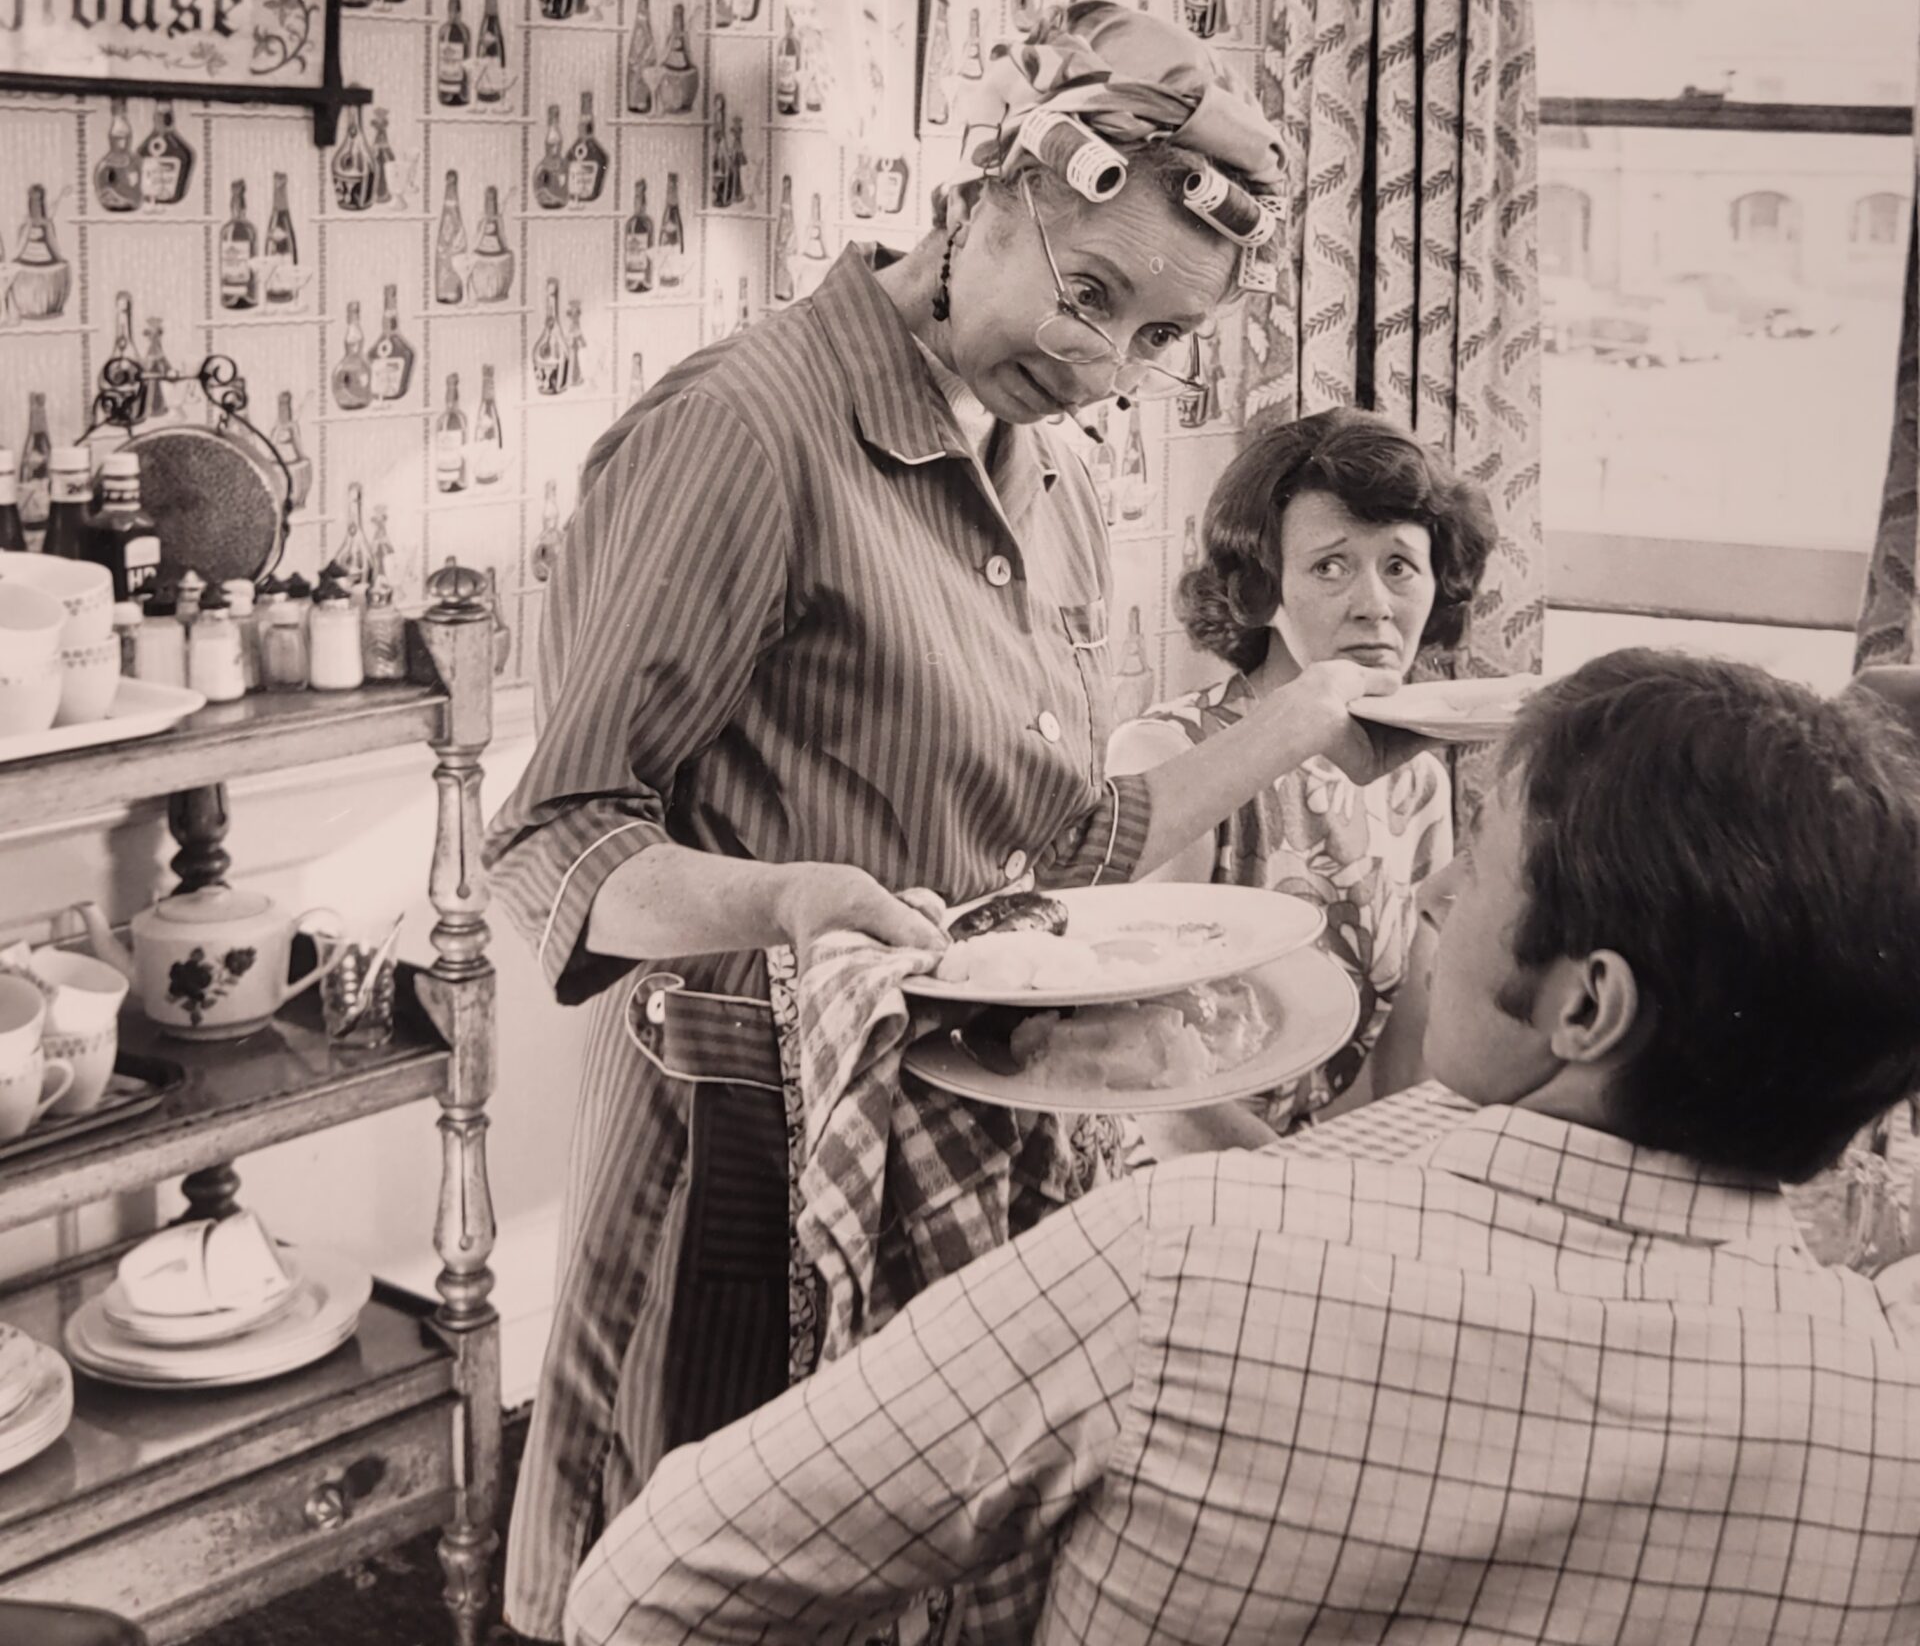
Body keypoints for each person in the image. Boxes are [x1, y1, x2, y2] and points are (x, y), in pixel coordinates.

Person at [483, 1, 1433, 1638]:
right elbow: (554, 839)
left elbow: (1060, 857)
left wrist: (1300, 720)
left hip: (969, 1135)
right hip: (745, 1144)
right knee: (692, 1570)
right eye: (1090, 293)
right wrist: (784, 902)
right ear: (982, 191)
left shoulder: (1052, 481)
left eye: (1155, 338)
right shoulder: (748, 432)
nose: (1102, 364)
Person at [567, 647, 1920, 1646]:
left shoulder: (1180, 1267)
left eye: (1484, 856)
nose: (1437, 886)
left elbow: (648, 1587)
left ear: (1586, 1006)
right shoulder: (1885, 1422)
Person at [1120, 405, 1497, 1148]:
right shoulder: (1169, 753)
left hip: (1308, 1163)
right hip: (1164, 1167)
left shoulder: (1416, 776)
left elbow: (1404, 1054)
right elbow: (1148, 1080)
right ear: (1263, 591)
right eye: (1331, 566)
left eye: (1399, 567)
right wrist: (1308, 1186)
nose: (1375, 606)